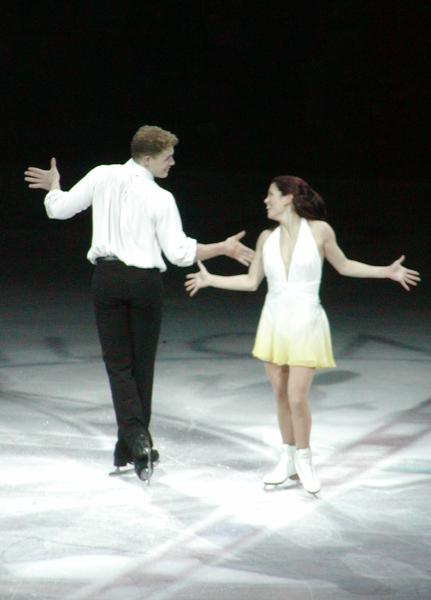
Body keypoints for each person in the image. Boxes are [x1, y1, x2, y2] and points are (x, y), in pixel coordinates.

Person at [24, 125, 254, 482]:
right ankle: (137, 442)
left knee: (119, 366)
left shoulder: (102, 175)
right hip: (145, 285)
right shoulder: (161, 198)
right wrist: (222, 248)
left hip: (107, 280)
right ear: (147, 158)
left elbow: (59, 210)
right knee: (140, 366)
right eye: (167, 157)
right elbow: (180, 254)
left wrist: (54, 187)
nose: (172, 163)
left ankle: (132, 444)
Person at [185, 175, 420, 494]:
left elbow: (344, 265)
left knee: (297, 396)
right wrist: (212, 280)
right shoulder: (266, 238)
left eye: (270, 195)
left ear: (288, 198)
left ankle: (305, 460)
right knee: (281, 396)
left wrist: (386, 271)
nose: (265, 201)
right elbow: (252, 282)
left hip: (306, 321)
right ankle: (287, 459)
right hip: (274, 322)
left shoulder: (320, 231)